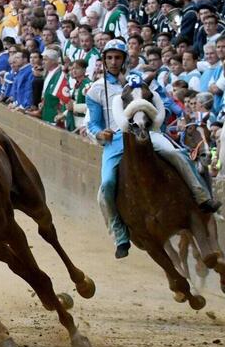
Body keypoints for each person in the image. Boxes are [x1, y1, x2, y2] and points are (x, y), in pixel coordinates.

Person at [87, 40, 220, 259]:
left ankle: (201, 196)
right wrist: (100, 134)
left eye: (117, 57)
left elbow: (164, 102)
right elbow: (92, 122)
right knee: (107, 184)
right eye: (109, 58)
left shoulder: (138, 81)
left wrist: (167, 115)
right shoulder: (96, 89)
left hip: (148, 135)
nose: (113, 62)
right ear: (103, 60)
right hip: (116, 142)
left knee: (177, 154)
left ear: (124, 60)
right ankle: (119, 233)